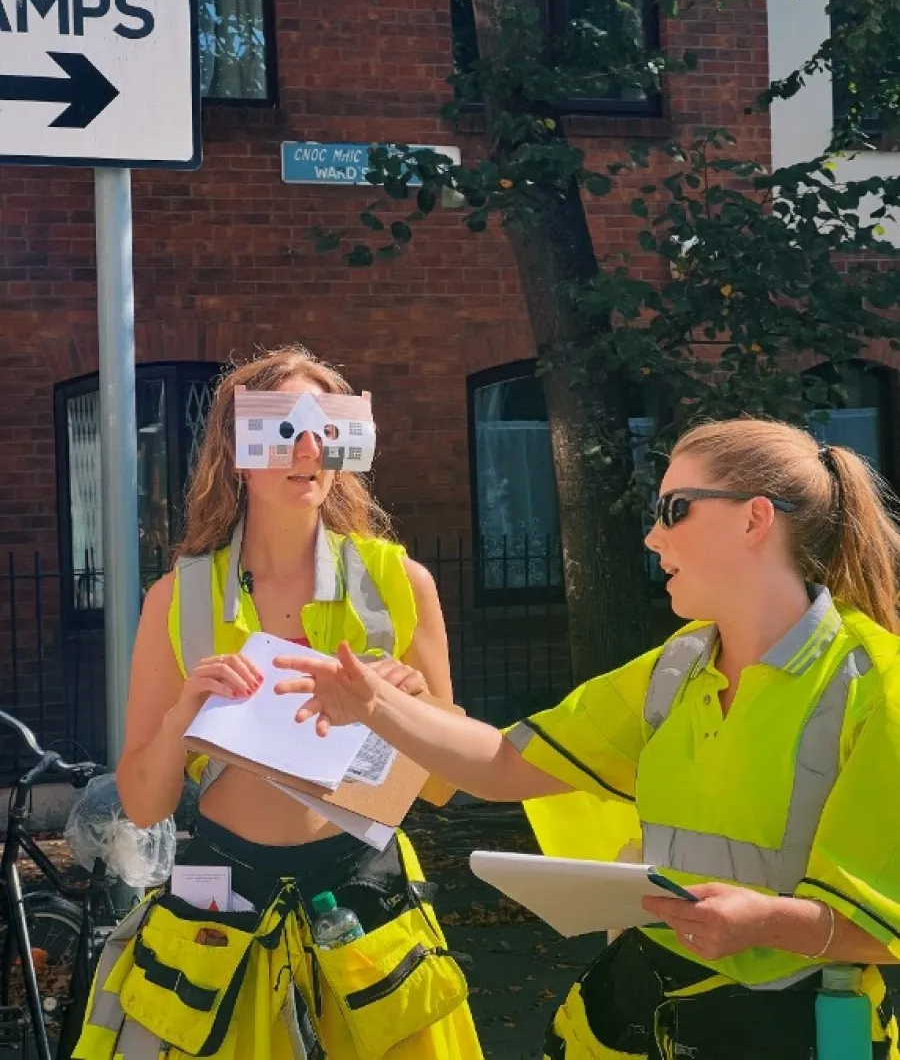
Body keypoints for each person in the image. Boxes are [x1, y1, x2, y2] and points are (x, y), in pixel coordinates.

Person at [274, 417, 900, 1059]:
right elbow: (500, 763)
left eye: (674, 509)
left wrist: (766, 922)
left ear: (754, 520)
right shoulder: (679, 665)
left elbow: (886, 926)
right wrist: (373, 703)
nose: (654, 535)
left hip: (795, 1030)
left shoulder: (876, 686)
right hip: (641, 1011)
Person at [74, 346, 482, 1060]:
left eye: (329, 428)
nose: (310, 449)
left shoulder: (399, 583)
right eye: (284, 428)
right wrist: (182, 719)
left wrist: (411, 710)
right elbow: (143, 804)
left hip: (368, 908)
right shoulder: (178, 598)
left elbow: (447, 783)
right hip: (223, 908)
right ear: (238, 449)